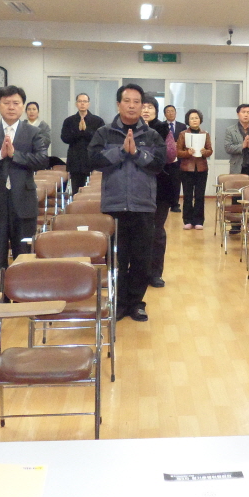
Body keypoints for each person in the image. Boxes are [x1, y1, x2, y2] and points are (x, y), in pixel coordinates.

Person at [88, 84, 166, 322]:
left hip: (143, 205)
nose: (132, 106)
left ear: (142, 106)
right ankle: (120, 303)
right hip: (114, 206)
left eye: (136, 102)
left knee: (142, 259)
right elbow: (93, 160)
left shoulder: (152, 135)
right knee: (117, 258)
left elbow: (158, 164)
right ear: (118, 104)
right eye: (127, 101)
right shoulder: (104, 133)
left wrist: (137, 154)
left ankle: (136, 303)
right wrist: (121, 152)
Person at [0, 86, 50, 287]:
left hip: (23, 201)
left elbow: (42, 159)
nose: (11, 107)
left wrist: (15, 155)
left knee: (23, 254)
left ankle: (22, 294)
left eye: (16, 103)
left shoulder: (34, 132)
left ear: (23, 106)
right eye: (6, 103)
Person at [141, 94, 177, 288]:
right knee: (139, 232)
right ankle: (138, 272)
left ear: (156, 111)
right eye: (143, 106)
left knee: (157, 231)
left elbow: (170, 155)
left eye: (150, 107)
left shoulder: (163, 128)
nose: (146, 110)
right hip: (137, 186)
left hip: (160, 186)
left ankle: (155, 273)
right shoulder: (129, 128)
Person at [177, 108, 213, 230]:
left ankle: (199, 221)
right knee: (187, 195)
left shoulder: (205, 134)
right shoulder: (183, 134)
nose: (194, 120)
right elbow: (178, 152)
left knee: (199, 195)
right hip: (186, 169)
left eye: (196, 118)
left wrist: (204, 152)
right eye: (192, 118)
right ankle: (187, 220)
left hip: (202, 169)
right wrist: (187, 153)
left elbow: (210, 150)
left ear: (200, 120)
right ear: (188, 120)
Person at [60, 93, 104, 193]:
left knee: (92, 192)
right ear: (76, 104)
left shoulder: (98, 121)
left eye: (84, 101)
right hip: (75, 161)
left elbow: (101, 140)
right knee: (76, 191)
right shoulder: (69, 121)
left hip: (92, 161)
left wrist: (86, 131)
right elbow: (64, 138)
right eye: (80, 101)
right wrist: (78, 131)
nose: (82, 104)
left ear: (89, 104)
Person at [223, 103, 249, 180]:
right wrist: (242, 146)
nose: (246, 115)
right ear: (238, 114)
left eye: (248, 112)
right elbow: (228, 147)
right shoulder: (230, 130)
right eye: (243, 112)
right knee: (237, 187)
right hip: (237, 167)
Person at [165, 105, 186, 212]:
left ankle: (175, 204)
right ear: (165, 114)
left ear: (176, 113)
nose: (170, 113)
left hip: (178, 159)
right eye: (168, 111)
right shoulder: (161, 126)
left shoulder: (182, 126)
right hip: (165, 159)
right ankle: (165, 204)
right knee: (165, 182)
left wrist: (178, 145)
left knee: (176, 181)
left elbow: (185, 141)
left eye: (172, 111)